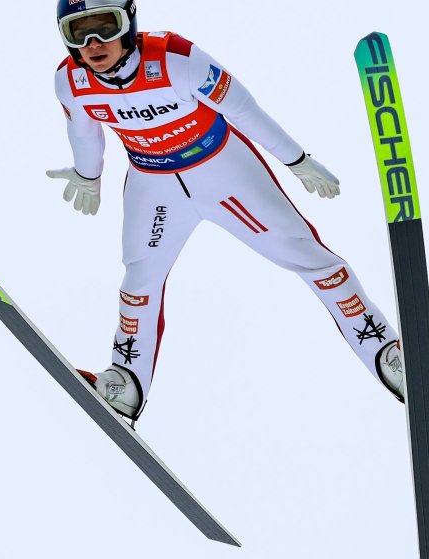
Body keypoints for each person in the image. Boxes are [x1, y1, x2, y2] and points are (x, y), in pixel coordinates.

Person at [48, 0, 404, 421]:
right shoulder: (70, 81)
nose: (93, 43)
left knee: (309, 257)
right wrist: (89, 175)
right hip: (154, 185)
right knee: (139, 279)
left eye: (106, 26)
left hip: (221, 170)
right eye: (78, 32)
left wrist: (296, 160)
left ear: (129, 22)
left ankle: (386, 350)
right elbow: (84, 131)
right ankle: (127, 382)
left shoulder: (174, 58)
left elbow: (243, 109)